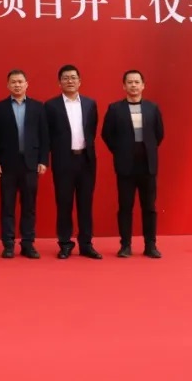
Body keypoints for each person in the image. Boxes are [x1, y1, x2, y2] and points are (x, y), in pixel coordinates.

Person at [101, 70, 165, 259]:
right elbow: (107, 134)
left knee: (149, 207)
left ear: (143, 85)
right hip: (125, 166)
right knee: (125, 207)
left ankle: (150, 245)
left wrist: (147, 149)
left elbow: (159, 134)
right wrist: (120, 151)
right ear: (124, 86)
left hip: (147, 165)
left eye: (137, 82)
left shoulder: (152, 108)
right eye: (130, 82)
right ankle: (125, 245)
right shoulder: (115, 109)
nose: (134, 85)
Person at [45, 65, 101, 260]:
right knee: (64, 204)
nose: (70, 81)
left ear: (80, 81)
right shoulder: (51, 106)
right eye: (66, 78)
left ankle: (86, 244)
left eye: (73, 77)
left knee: (86, 204)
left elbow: (92, 130)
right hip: (63, 160)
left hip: (86, 160)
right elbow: (48, 135)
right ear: (59, 82)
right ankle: (65, 244)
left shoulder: (90, 104)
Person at [0, 69, 49, 259]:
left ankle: (28, 244)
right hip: (7, 164)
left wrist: (43, 160)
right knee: (7, 206)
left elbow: (44, 136)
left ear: (26, 84)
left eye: (20, 82)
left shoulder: (38, 107)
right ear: (8, 85)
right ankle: (8, 244)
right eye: (13, 82)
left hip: (30, 163)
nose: (17, 85)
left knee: (29, 206)